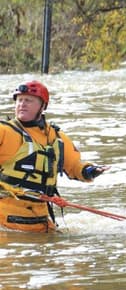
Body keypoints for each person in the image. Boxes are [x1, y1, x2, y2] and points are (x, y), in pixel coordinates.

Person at [0, 81, 109, 233]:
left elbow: (74, 166)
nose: (22, 104)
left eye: (29, 100)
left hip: (41, 218)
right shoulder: (4, 131)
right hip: (5, 219)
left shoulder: (56, 137)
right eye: (19, 100)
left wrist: (89, 170)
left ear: (43, 106)